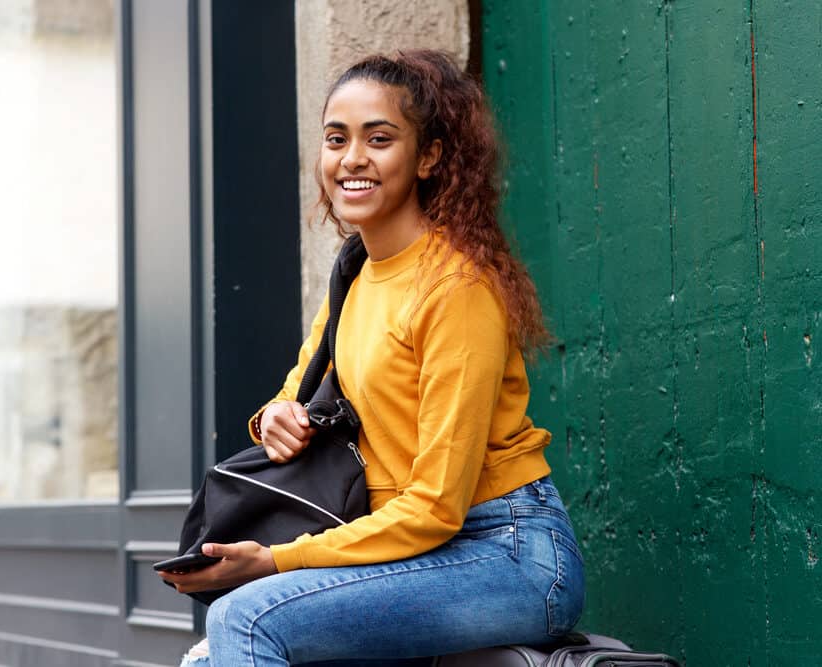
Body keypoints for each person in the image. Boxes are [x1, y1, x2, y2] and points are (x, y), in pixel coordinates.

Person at [159, 50, 585, 666]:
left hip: (509, 551)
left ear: (429, 157)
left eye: (378, 138)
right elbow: (297, 391)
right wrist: (274, 419)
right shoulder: (357, 274)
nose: (351, 158)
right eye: (337, 138)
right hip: (409, 546)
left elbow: (436, 507)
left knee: (245, 619)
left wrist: (280, 558)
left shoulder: (455, 289)